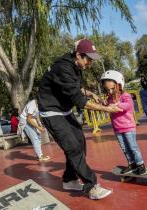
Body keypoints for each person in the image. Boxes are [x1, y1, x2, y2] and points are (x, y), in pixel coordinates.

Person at [37, 39, 122, 200]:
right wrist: (107, 109)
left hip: (64, 110)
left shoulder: (75, 66)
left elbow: (75, 88)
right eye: (88, 59)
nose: (90, 62)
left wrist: (92, 94)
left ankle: (69, 179)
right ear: (78, 55)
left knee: (80, 144)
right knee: (73, 147)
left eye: (91, 59)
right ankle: (91, 186)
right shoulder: (63, 68)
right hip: (51, 111)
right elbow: (79, 101)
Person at [101, 70, 147, 175]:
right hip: (117, 128)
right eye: (107, 88)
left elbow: (128, 105)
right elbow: (108, 107)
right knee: (124, 148)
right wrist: (104, 105)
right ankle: (132, 164)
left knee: (132, 146)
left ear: (118, 84)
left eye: (112, 88)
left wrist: (116, 106)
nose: (110, 90)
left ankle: (140, 164)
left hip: (128, 127)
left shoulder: (125, 95)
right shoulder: (109, 98)